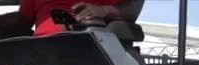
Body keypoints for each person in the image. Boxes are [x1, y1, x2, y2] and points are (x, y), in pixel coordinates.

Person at [16, 0, 144, 37]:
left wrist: (103, 10)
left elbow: (132, 9)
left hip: (83, 47)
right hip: (37, 50)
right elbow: (22, 20)